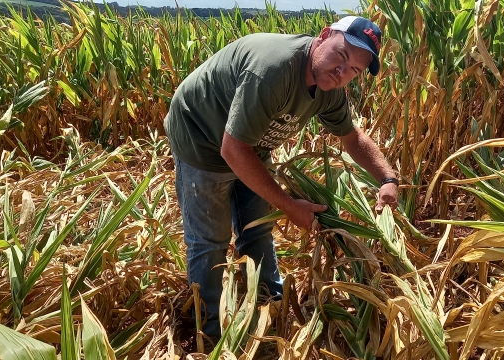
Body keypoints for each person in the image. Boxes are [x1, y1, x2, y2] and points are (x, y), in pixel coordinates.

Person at [163, 15, 399, 340]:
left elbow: (352, 138)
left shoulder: (329, 89)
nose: (341, 72)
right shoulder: (273, 70)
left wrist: (387, 179)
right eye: (341, 56)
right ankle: (212, 333)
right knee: (210, 241)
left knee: (257, 228)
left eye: (354, 71)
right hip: (201, 134)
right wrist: (289, 205)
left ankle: (270, 304)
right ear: (325, 35)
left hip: (249, 144)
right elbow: (232, 151)